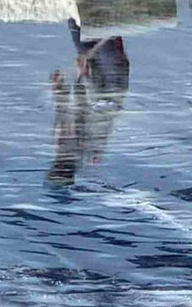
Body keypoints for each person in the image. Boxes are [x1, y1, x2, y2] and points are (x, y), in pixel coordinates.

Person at [46, 19, 131, 187]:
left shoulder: (61, 148)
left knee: (75, 24)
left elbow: (63, 111)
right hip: (111, 82)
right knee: (105, 29)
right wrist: (85, 75)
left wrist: (57, 88)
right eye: (58, 169)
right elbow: (99, 107)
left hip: (92, 78)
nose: (56, 165)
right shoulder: (89, 149)